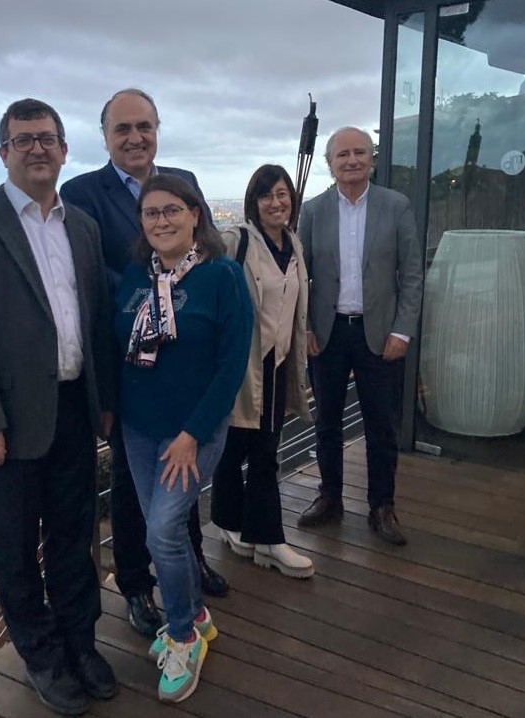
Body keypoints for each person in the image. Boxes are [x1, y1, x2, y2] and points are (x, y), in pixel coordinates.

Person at [0, 98, 117, 716]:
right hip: (5, 425)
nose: (38, 148)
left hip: (71, 411)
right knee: (14, 550)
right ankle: (41, 656)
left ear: (65, 149)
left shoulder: (81, 226)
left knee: (73, 539)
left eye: (48, 138)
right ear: (4, 152)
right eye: (23, 139)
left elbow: (92, 325)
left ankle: (80, 645)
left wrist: (103, 404)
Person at [60, 88, 228, 641]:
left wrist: (180, 288)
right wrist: (152, 289)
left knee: (180, 486)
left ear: (158, 129)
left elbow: (203, 252)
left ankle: (188, 568)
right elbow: (91, 274)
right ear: (104, 135)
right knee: (135, 492)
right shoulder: (81, 192)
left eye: (144, 127)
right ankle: (135, 585)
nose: (135, 138)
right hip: (127, 366)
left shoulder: (181, 179)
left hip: (189, 364)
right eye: (122, 129)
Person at [114, 174, 252, 702]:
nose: (162, 221)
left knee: (164, 533)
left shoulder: (222, 278)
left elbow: (231, 365)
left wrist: (194, 433)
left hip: (193, 432)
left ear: (196, 215)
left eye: (172, 210)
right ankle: (195, 613)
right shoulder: (134, 277)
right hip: (138, 427)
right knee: (162, 530)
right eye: (151, 213)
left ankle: (181, 636)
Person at [297, 126, 423, 546]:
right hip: (328, 334)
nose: (352, 160)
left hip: (381, 335)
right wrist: (306, 328)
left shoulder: (396, 206)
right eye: (343, 155)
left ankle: (382, 506)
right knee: (327, 422)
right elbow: (300, 277)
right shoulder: (313, 211)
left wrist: (402, 331)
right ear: (330, 164)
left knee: (382, 426)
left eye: (359, 152)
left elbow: (412, 275)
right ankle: (329, 496)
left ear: (371, 158)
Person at [211, 164, 314, 578]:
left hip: (278, 363)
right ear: (253, 202)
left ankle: (245, 528)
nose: (277, 202)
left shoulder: (294, 244)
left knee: (263, 452)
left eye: (283, 194)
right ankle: (260, 536)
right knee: (236, 449)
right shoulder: (236, 241)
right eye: (267, 195)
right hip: (243, 366)